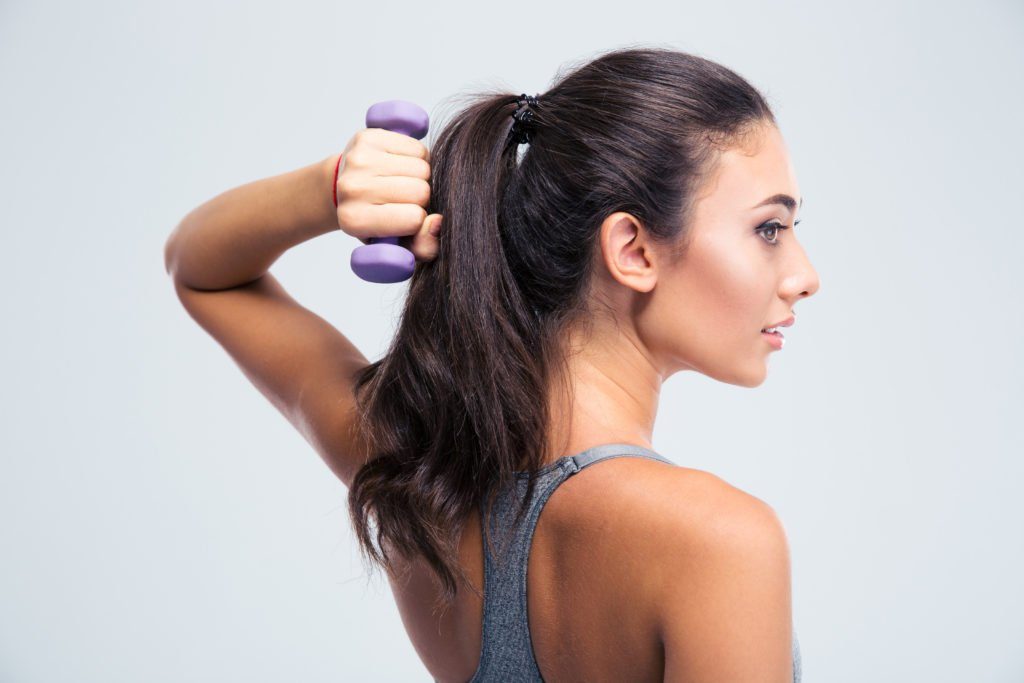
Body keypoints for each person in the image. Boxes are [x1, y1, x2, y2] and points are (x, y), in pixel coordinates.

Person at [164, 46, 819, 682]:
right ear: (633, 249)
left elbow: (200, 272)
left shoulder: (412, 470)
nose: (805, 276)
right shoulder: (720, 542)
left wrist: (330, 188)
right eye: (769, 229)